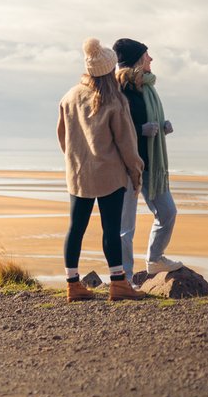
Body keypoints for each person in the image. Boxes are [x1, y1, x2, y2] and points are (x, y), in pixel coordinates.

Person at [56, 38, 145, 302]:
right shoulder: (114, 100)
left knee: (76, 228)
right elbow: (127, 143)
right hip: (110, 174)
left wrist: (73, 159)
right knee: (111, 229)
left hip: (79, 173)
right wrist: (136, 172)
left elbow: (62, 137)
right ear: (108, 70)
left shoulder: (69, 97)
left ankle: (73, 284)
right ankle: (118, 283)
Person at [113, 37, 183, 278]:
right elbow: (114, 127)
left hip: (151, 164)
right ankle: (125, 280)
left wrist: (162, 126)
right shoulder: (117, 90)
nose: (151, 59)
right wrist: (140, 130)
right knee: (125, 229)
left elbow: (145, 116)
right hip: (127, 165)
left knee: (167, 212)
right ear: (136, 61)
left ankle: (154, 259)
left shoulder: (147, 88)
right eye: (146, 56)